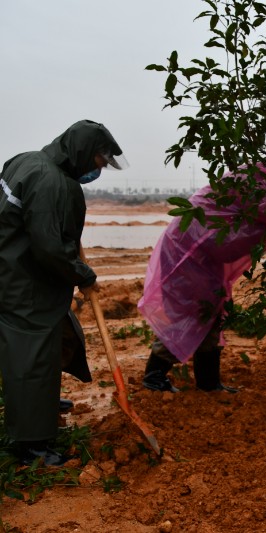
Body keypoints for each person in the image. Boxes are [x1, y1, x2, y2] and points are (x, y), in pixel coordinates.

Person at [138, 156, 266, 393]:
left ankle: (208, 383)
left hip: (203, 255)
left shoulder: (264, 181)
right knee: (192, 311)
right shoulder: (255, 183)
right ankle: (154, 378)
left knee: (212, 310)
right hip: (189, 253)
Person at [0, 120, 128, 466]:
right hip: (25, 282)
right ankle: (32, 446)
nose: (98, 169)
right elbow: (49, 249)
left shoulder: (26, 160)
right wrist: (82, 273)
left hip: (18, 271)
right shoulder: (51, 182)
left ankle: (40, 405)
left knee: (56, 340)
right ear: (83, 153)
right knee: (33, 358)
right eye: (99, 162)